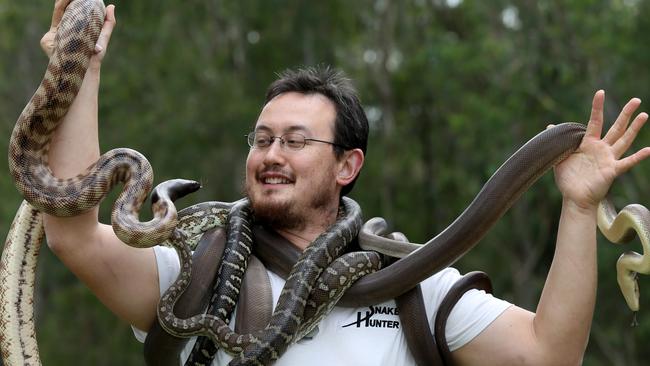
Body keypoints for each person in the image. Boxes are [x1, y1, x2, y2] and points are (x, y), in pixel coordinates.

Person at [38, 1, 650, 365]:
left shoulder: (412, 283)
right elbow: (73, 233)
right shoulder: (195, 270)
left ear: (347, 165)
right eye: (262, 138)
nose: (272, 154)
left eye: (297, 141)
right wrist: (79, 68)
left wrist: (576, 209)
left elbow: (549, 355)